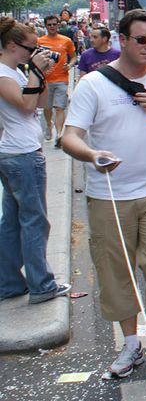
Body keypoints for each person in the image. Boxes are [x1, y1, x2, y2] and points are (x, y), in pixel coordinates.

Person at [61, 9, 146, 377]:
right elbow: (69, 137)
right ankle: (131, 344)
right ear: (122, 39)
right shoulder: (94, 85)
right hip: (108, 195)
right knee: (116, 271)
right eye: (142, 40)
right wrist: (92, 155)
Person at [0, 18, 70, 304]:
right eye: (31, 48)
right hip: (21, 155)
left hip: (19, 152)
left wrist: (39, 74)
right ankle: (42, 285)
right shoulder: (4, 74)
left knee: (14, 222)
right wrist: (36, 72)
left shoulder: (16, 71)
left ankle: (10, 284)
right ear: (12, 45)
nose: (35, 53)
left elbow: (39, 105)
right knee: (34, 221)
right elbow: (27, 105)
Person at [37, 15, 77, 146]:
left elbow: (74, 57)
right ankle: (49, 125)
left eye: (54, 24)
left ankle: (59, 134)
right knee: (47, 108)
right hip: (45, 80)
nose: (52, 27)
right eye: (49, 25)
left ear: (58, 25)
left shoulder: (66, 41)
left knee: (60, 107)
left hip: (61, 79)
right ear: (45, 26)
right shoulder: (40, 41)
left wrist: (70, 65)